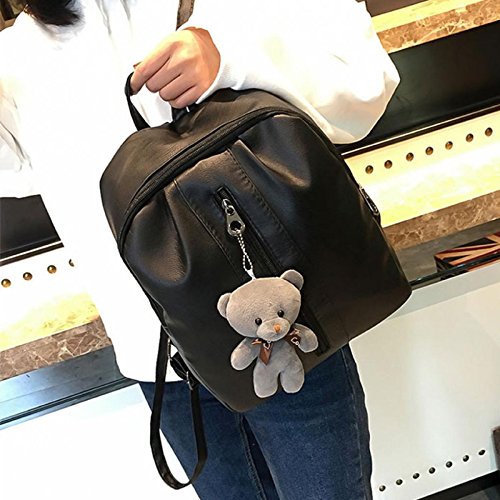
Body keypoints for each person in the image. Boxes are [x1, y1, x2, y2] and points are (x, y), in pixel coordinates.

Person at [0, 1, 400, 498]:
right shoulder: (19, 56)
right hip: (163, 366)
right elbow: (11, 169)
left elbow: (365, 82)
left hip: (276, 334)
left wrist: (229, 56)